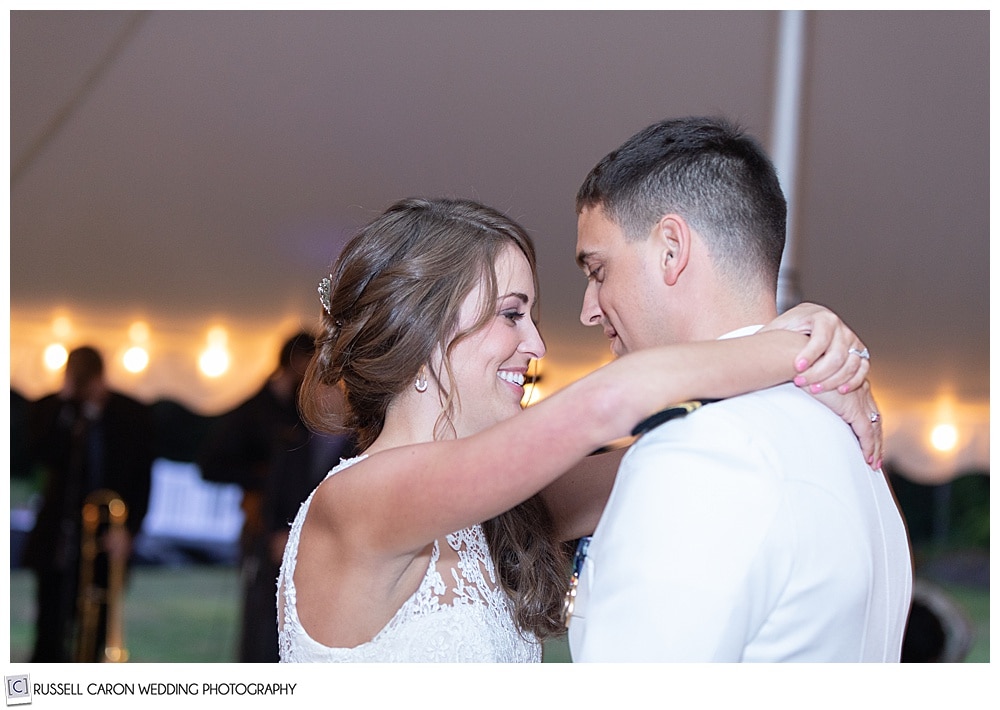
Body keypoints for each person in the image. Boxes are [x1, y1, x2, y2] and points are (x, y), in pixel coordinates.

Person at [277, 196, 879, 662]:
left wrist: (812, 346)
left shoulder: (506, 508)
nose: (536, 344)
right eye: (511, 314)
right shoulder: (357, 503)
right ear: (423, 326)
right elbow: (608, 402)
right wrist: (798, 351)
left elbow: (683, 453)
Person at [565, 116, 913, 662]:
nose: (588, 309)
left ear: (671, 249)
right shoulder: (845, 440)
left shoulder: (703, 449)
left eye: (598, 270)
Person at [197, 332, 357, 662]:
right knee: (262, 636)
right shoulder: (280, 425)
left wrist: (302, 540)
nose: (318, 389)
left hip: (327, 568)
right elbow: (218, 466)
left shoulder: (354, 442)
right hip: (271, 551)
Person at [22, 345, 154, 662]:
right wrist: (66, 404)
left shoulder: (132, 415)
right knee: (50, 626)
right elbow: (34, 452)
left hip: (107, 536)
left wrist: (130, 530)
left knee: (96, 624)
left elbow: (143, 478)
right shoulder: (57, 410)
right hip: (59, 538)